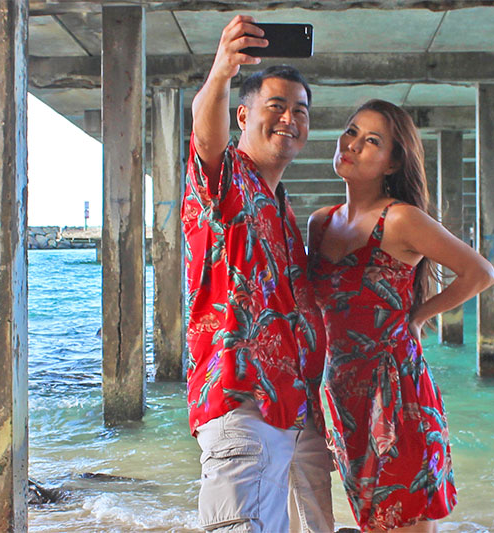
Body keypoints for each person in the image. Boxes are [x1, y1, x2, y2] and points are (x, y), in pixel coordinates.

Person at [306, 99, 494, 532]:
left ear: (393, 163)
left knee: (406, 520)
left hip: (397, 396)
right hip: (342, 397)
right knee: (373, 522)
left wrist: (418, 317)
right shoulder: (321, 223)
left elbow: (480, 272)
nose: (352, 144)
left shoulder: (400, 220)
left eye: (371, 141)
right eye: (351, 132)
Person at [183, 14, 336, 533]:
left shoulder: (283, 212)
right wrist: (222, 71)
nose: (289, 118)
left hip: (292, 414)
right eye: (276, 106)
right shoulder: (226, 180)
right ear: (243, 114)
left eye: (300, 110)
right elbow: (204, 139)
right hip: (242, 409)